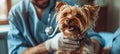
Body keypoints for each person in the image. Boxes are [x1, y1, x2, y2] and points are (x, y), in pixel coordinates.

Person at [7, 0, 105, 54]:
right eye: (65, 15)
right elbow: (16, 52)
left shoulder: (68, 2)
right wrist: (48, 45)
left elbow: (96, 38)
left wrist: (89, 48)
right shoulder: (16, 13)